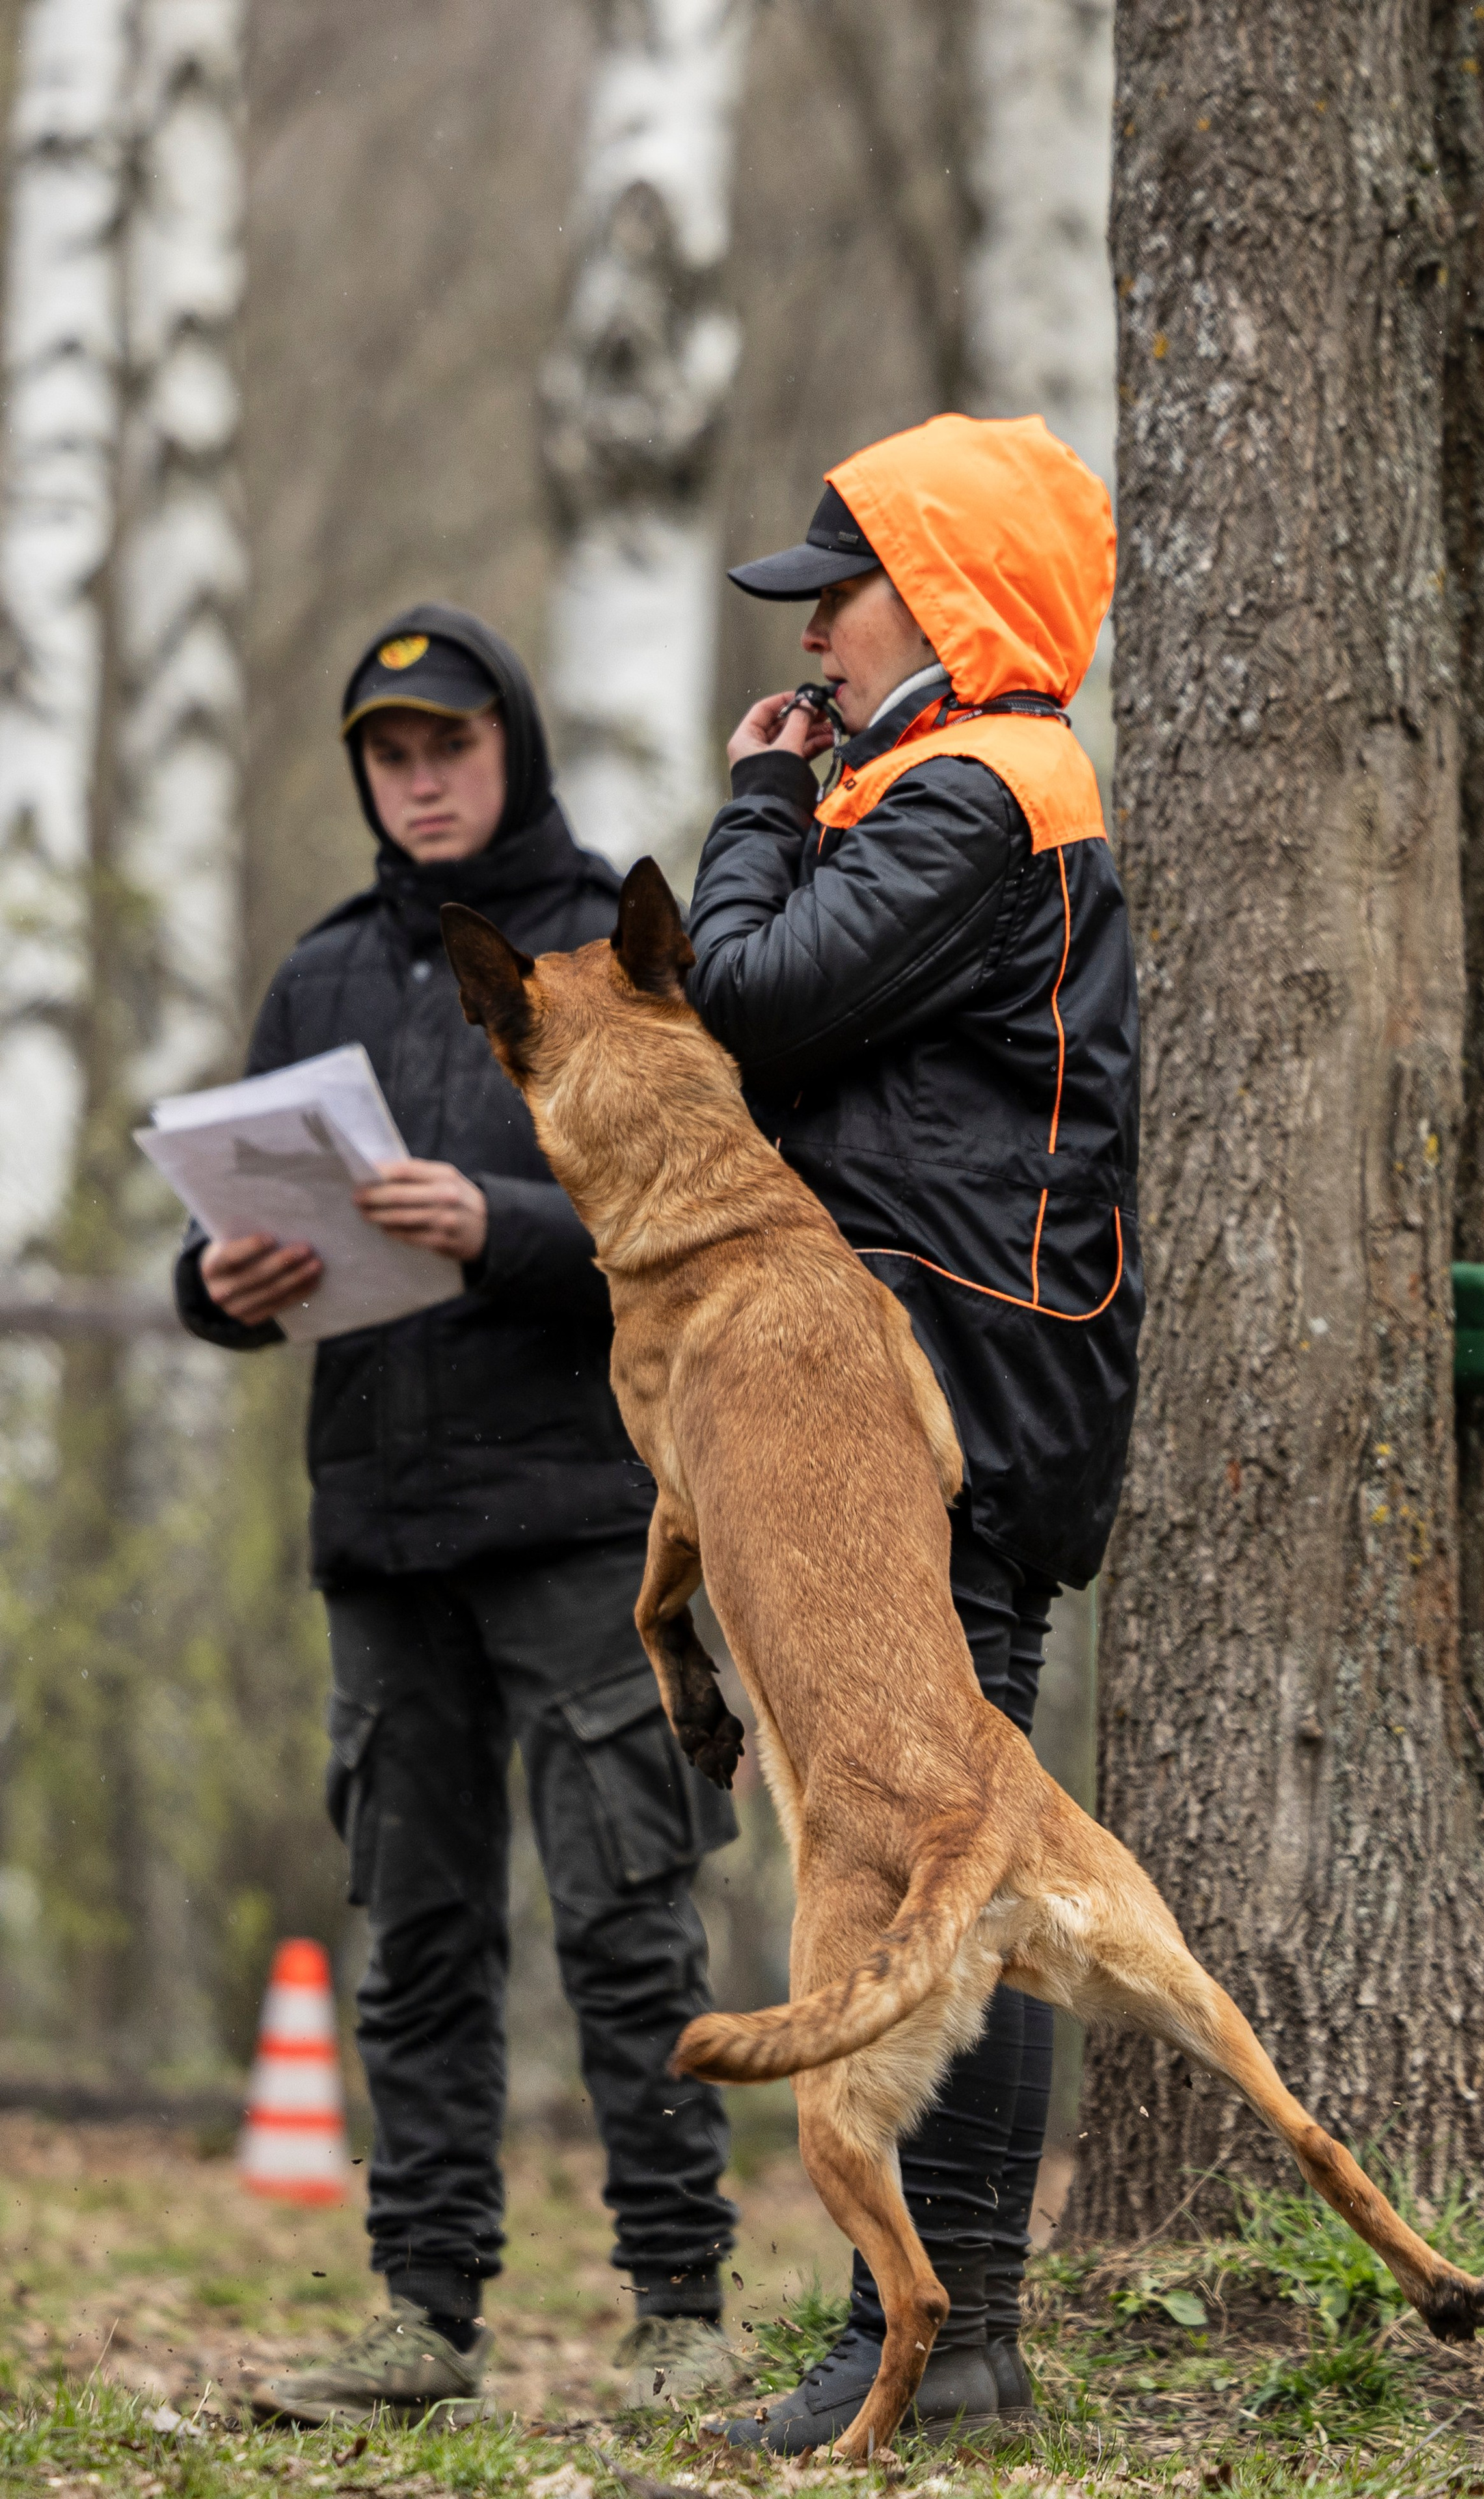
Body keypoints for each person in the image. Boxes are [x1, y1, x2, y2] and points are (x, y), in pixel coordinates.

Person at [174, 605, 742, 2425]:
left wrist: (493, 1226)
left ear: (514, 749)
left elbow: (699, 1220)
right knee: (416, 1943)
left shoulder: (608, 947)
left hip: (583, 1524)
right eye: (388, 756)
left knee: (627, 1919)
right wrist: (224, 1283)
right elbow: (205, 1270)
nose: (419, 783)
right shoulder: (324, 970)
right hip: (381, 1535)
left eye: (450, 748)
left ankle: (683, 2311)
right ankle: (424, 2323)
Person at [686, 415, 1142, 2450]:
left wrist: (762, 801)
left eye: (838, 602)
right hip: (947, 1390)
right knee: (964, 1869)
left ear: (945, 602)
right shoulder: (950, 789)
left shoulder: (980, 793)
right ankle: (946, 2330)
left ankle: (943, 2331)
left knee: (941, 1879)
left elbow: (755, 1000)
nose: (821, 644)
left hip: (962, 1403)